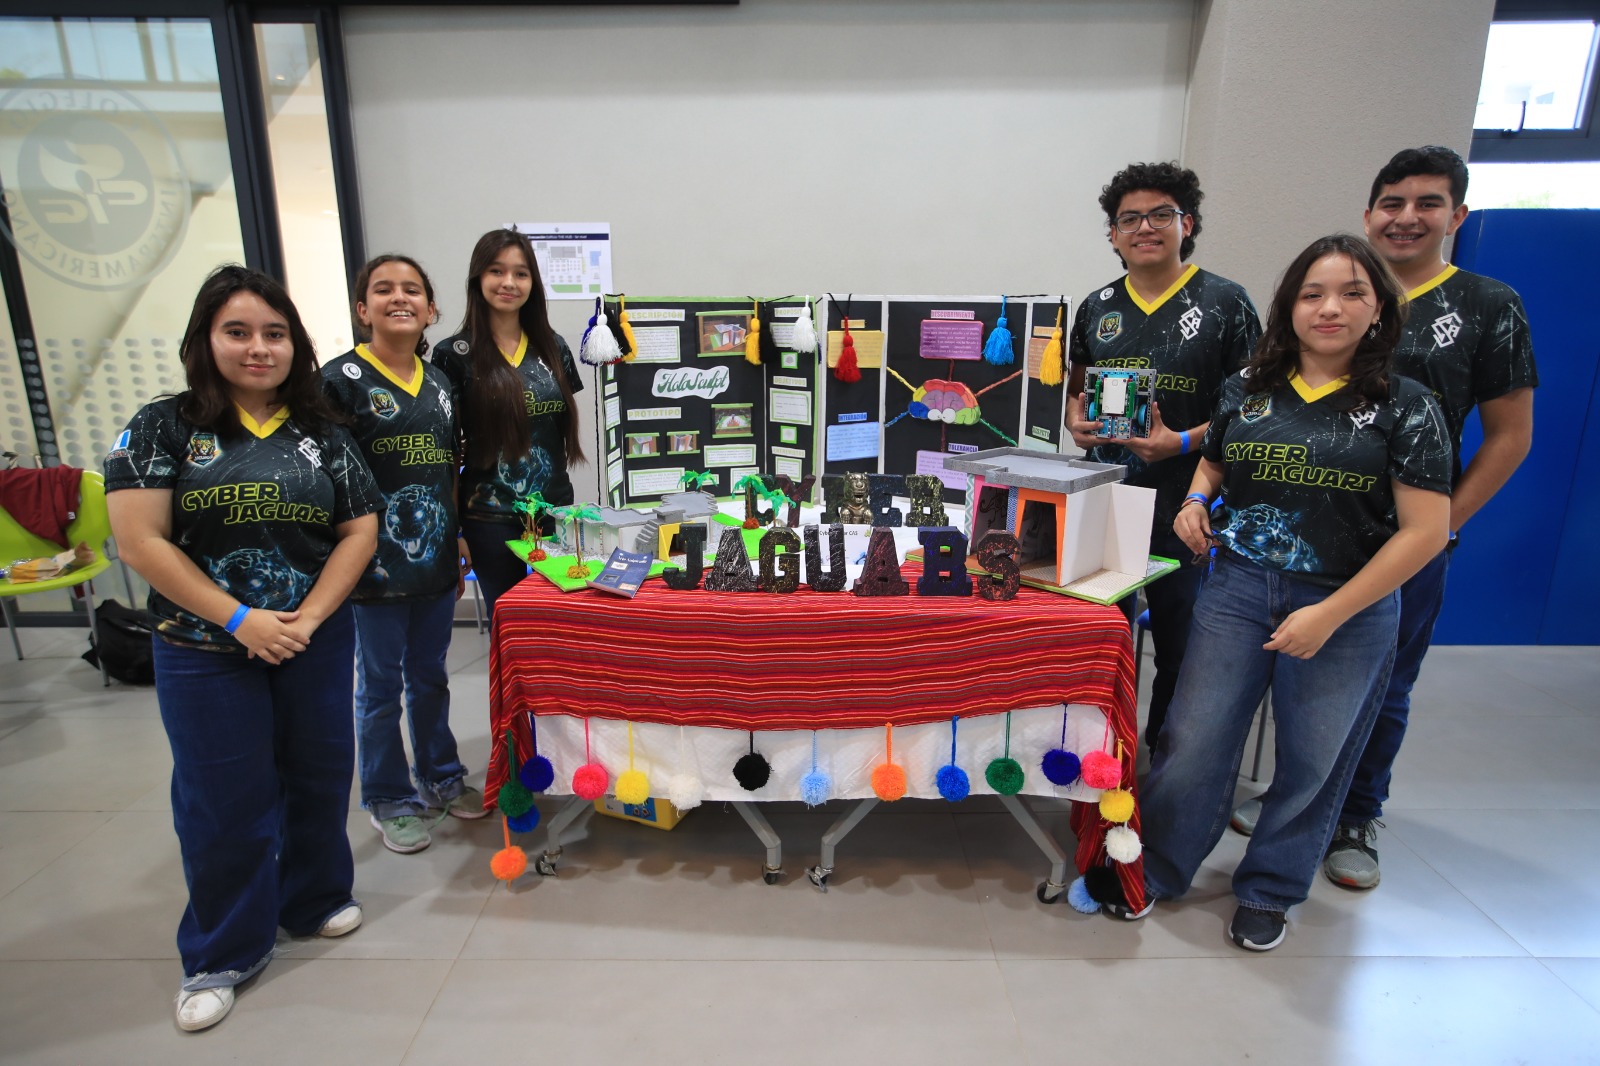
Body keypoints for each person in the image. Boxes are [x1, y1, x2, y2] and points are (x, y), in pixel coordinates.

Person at [1110, 234, 1452, 951]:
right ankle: (1164, 869)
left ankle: (1269, 889)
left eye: (1352, 292)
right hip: (1235, 589)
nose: (1330, 308)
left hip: (1346, 606)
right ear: (1289, 306)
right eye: (1312, 293)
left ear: (1379, 308)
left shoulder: (1409, 405)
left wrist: (1329, 613)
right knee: (1192, 741)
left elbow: (1424, 532)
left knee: (1313, 759)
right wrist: (1195, 504)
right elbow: (1215, 463)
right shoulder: (1248, 388)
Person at [1231, 148, 1538, 892]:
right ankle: (1294, 801)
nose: (1407, 218)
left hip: (1402, 547)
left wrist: (1436, 530)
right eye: (1392, 203)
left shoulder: (1486, 307)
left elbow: (1510, 435)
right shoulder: (1328, 302)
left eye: (1428, 204)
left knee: (1382, 683)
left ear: (1456, 217)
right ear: (1368, 215)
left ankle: (1356, 815)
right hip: (1297, 543)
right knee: (1295, 683)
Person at [105, 265, 381, 1031]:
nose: (258, 348)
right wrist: (240, 620)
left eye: (274, 333)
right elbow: (140, 540)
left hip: (312, 640)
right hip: (203, 646)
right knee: (223, 797)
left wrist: (310, 616)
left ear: (294, 342)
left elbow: (360, 527)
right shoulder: (163, 426)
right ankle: (221, 951)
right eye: (238, 332)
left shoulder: (321, 432)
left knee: (320, 775)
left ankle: (317, 896)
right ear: (206, 339)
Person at [1066, 162, 1261, 753]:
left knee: (1184, 643)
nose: (1144, 227)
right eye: (1129, 218)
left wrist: (1179, 441)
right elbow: (1078, 390)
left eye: (1160, 215)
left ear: (1187, 223)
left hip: (1191, 503)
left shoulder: (1227, 303)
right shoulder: (1097, 306)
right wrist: (1077, 422)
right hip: (1108, 498)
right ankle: (1104, 750)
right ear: (1112, 234)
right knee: (1103, 633)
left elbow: (1253, 410)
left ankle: (1164, 757)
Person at [322, 254, 487, 855]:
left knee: (430, 675)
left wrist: (458, 532)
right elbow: (329, 477)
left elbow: (449, 465)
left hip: (436, 559)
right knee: (379, 685)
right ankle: (387, 797)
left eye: (413, 290)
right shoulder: (337, 381)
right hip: (372, 568)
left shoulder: (440, 382)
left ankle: (441, 776)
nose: (400, 298)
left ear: (431, 309)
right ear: (363, 309)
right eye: (384, 289)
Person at [433, 228, 585, 618]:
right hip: (489, 515)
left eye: (521, 273)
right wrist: (456, 533)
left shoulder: (554, 347)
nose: (508, 283)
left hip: (554, 511)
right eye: (496, 271)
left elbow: (556, 428)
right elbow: (447, 453)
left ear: (532, 283)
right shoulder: (453, 354)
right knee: (510, 622)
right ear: (477, 279)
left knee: (561, 618)